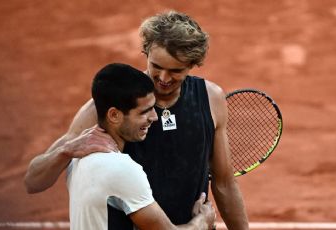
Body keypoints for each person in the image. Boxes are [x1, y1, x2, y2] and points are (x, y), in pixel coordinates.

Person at [25, 11, 249, 229]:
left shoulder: (211, 99)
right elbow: (34, 181)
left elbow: (224, 183)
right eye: (156, 66)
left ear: (192, 65)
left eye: (175, 71)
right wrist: (67, 149)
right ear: (146, 54)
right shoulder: (110, 106)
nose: (163, 78)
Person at [67, 63, 215, 229]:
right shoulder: (122, 169)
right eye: (144, 111)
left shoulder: (77, 159)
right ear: (114, 115)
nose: (154, 117)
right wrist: (202, 222)